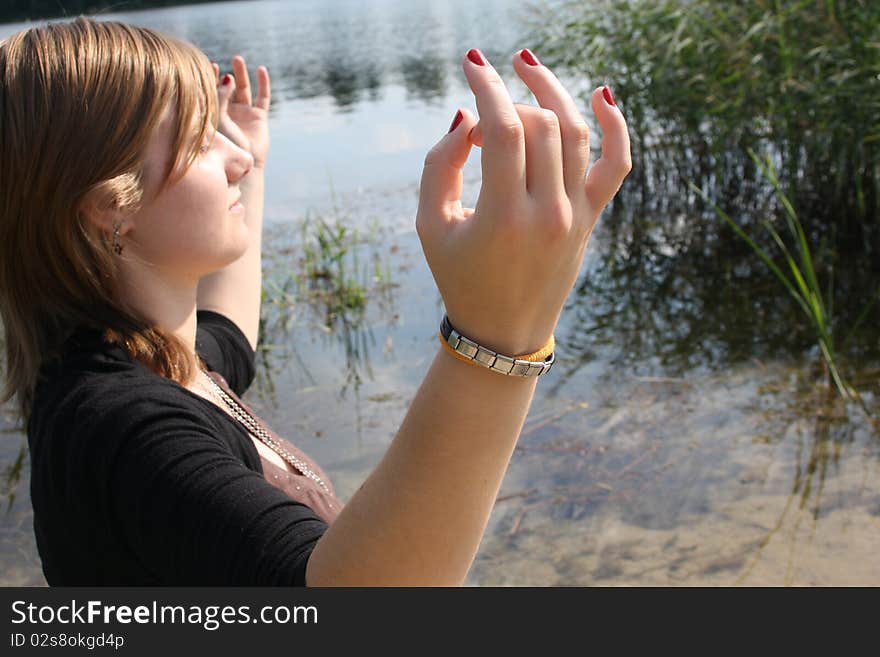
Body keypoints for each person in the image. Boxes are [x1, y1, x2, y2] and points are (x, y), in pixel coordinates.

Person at [0, 17, 630, 586]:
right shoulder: (119, 427)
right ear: (112, 203)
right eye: (200, 139)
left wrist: (259, 159)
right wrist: (498, 334)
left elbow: (231, 333)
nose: (237, 159)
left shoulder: (151, 358)